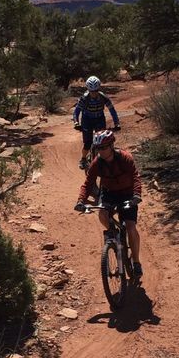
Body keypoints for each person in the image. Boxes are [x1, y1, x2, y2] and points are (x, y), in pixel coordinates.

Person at [74, 129, 143, 278]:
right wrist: (81, 201)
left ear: (112, 146)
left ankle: (136, 262)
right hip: (109, 192)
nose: (101, 151)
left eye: (104, 148)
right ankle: (114, 234)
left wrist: (136, 195)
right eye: (98, 148)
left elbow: (135, 176)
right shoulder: (97, 163)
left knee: (130, 226)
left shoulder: (125, 158)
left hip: (127, 193)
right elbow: (88, 184)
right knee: (103, 214)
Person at [73, 75, 120, 170]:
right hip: (87, 120)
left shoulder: (103, 97)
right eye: (91, 91)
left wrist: (117, 123)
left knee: (103, 142)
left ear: (99, 89)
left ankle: (104, 158)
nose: (93, 93)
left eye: (95, 91)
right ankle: (83, 159)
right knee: (88, 143)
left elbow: (112, 110)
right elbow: (76, 111)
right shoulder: (84, 98)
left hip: (99, 119)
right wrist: (76, 122)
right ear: (88, 89)